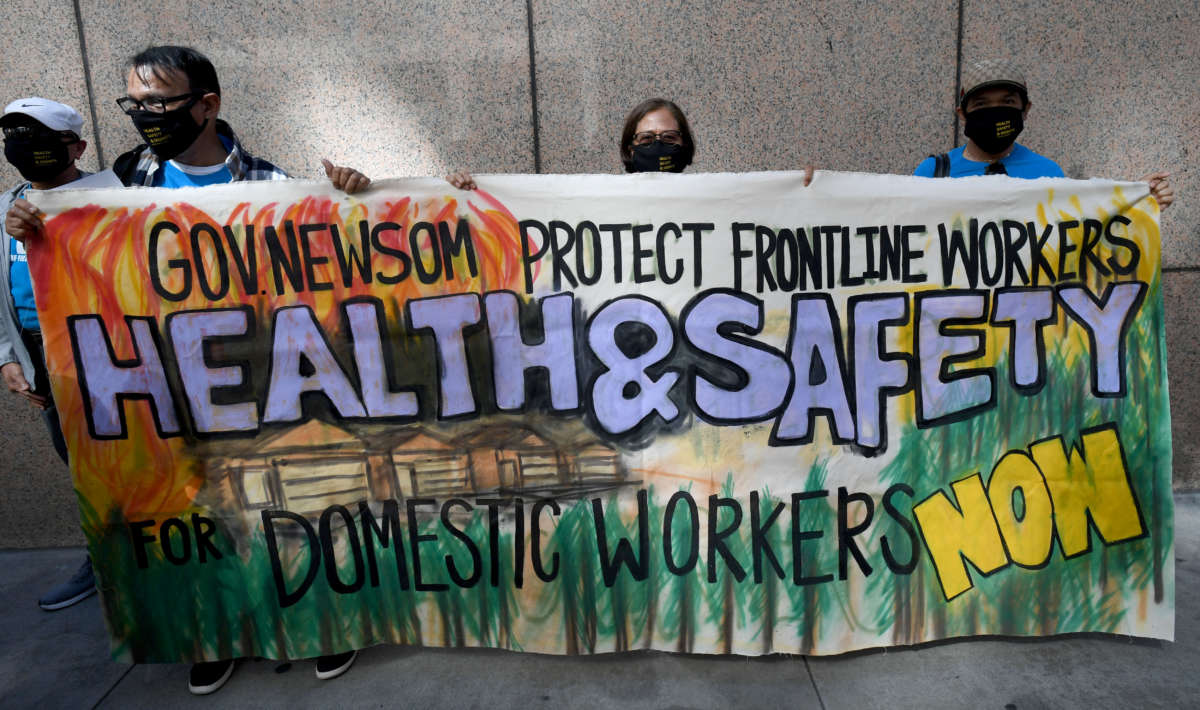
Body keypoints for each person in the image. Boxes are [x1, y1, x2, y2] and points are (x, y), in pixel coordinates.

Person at [4, 45, 368, 696]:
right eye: (135, 103)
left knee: (282, 501)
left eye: (159, 101)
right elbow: (74, 263)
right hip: (167, 386)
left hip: (261, 377)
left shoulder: (268, 182)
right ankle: (213, 631)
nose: (145, 114)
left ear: (207, 105)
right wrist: (29, 224)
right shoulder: (116, 186)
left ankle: (320, 620)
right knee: (194, 513)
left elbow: (325, 269)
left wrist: (351, 201)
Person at [0, 97, 98, 613]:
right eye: (14, 135)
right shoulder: (4, 208)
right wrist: (7, 357)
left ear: (76, 147)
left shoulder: (111, 196)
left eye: (37, 137)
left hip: (103, 348)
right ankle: (102, 558)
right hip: (40, 354)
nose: (23, 147)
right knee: (76, 461)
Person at [915, 59, 1174, 209]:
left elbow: (1078, 236)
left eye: (1007, 103)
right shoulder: (932, 173)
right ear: (963, 114)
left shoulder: (1047, 173)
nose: (995, 113)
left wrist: (1136, 203)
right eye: (982, 105)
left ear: (1025, 110)